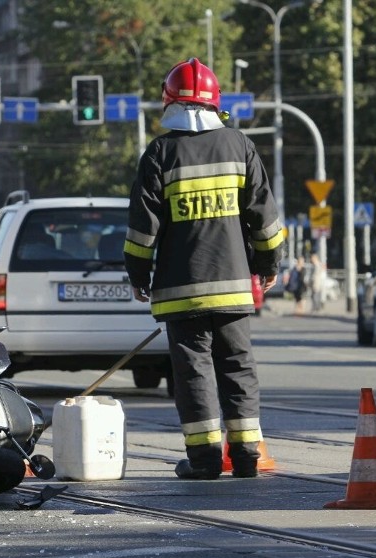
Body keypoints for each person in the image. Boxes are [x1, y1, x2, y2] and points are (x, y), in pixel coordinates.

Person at [124, 58, 284, 480]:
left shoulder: (160, 152)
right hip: (234, 288)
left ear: (170, 103)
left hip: (182, 290)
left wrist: (139, 277)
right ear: (215, 103)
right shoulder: (240, 145)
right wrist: (268, 265)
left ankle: (205, 460)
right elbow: (264, 218)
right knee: (238, 367)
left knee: (193, 372)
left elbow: (143, 230)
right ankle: (247, 456)